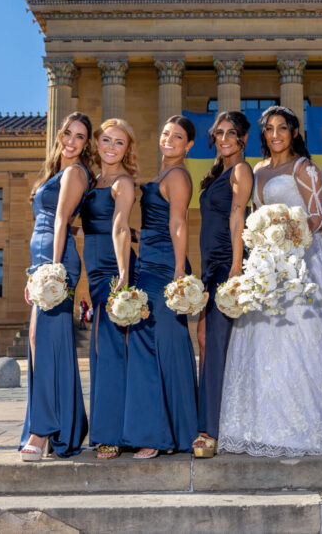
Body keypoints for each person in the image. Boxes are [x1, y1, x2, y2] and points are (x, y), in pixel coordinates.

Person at [219, 106, 322, 457]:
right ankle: (260, 427)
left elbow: (318, 218)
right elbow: (254, 215)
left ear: (294, 131)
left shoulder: (304, 168)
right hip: (266, 264)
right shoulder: (258, 169)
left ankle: (300, 430)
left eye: (282, 128)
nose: (275, 135)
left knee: (297, 344)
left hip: (301, 265)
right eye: (269, 129)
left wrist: (289, 235)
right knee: (260, 345)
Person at [123, 115, 198, 458]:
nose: (169, 139)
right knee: (153, 349)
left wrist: (179, 275)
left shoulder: (179, 175)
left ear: (189, 145)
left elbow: (178, 224)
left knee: (163, 350)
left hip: (166, 271)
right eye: (166, 132)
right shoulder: (162, 175)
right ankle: (167, 431)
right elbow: (155, 227)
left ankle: (164, 435)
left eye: (178, 136)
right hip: (149, 267)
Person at [19, 112, 92, 461]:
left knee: (44, 343)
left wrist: (51, 272)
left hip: (55, 263)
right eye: (68, 133)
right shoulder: (56, 172)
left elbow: (62, 220)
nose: (71, 141)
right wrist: (35, 274)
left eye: (80, 137)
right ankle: (62, 425)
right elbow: (60, 222)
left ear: (86, 144)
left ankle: (42, 430)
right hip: (44, 262)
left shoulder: (75, 172)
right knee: (40, 343)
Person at [194, 111, 253, 458]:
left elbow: (237, 216)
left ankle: (210, 431)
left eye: (232, 133)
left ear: (243, 138)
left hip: (225, 266)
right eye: (220, 132)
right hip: (209, 264)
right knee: (205, 339)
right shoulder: (215, 173)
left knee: (215, 342)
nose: (225, 137)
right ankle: (213, 417)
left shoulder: (241, 170)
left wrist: (234, 269)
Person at [81, 118, 138, 460]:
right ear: (97, 143)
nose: (111, 147)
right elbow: (88, 228)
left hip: (112, 271)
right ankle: (108, 429)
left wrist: (123, 275)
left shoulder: (122, 183)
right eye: (106, 140)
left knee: (112, 353)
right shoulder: (92, 181)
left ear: (127, 149)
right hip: (95, 268)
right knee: (102, 353)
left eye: (119, 142)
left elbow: (120, 227)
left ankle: (113, 436)